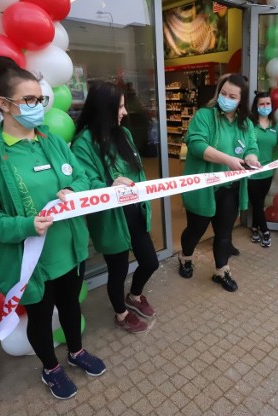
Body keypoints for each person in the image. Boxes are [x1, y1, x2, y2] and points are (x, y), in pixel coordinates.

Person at [0, 56, 105, 400]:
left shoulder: (51, 141)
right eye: (29, 100)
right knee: (39, 317)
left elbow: (81, 177)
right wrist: (24, 225)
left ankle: (76, 351)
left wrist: (76, 191)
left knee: (71, 306)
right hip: (30, 261)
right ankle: (50, 368)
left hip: (68, 248)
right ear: (4, 105)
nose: (37, 106)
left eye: (39, 99)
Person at [71, 82, 159, 335]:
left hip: (135, 211)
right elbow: (85, 181)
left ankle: (135, 295)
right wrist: (110, 185)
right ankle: (121, 313)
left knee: (150, 262)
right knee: (118, 271)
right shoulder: (83, 143)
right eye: (119, 107)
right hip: (110, 218)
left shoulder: (124, 134)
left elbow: (137, 171)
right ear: (104, 109)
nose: (125, 112)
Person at [178, 73, 260, 292]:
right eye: (223, 93)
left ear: (241, 101)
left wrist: (251, 157)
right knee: (195, 230)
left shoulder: (245, 125)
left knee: (224, 234)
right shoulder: (205, 116)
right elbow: (196, 145)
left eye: (232, 96)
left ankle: (221, 271)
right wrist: (229, 160)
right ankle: (185, 256)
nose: (226, 99)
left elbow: (251, 147)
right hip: (204, 188)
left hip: (230, 189)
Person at [248, 91, 278, 247]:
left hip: (267, 172)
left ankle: (254, 228)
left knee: (258, 202)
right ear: (256, 106)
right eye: (262, 104)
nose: (265, 107)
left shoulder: (275, 126)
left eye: (268, 104)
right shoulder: (249, 124)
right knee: (258, 203)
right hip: (251, 173)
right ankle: (265, 231)